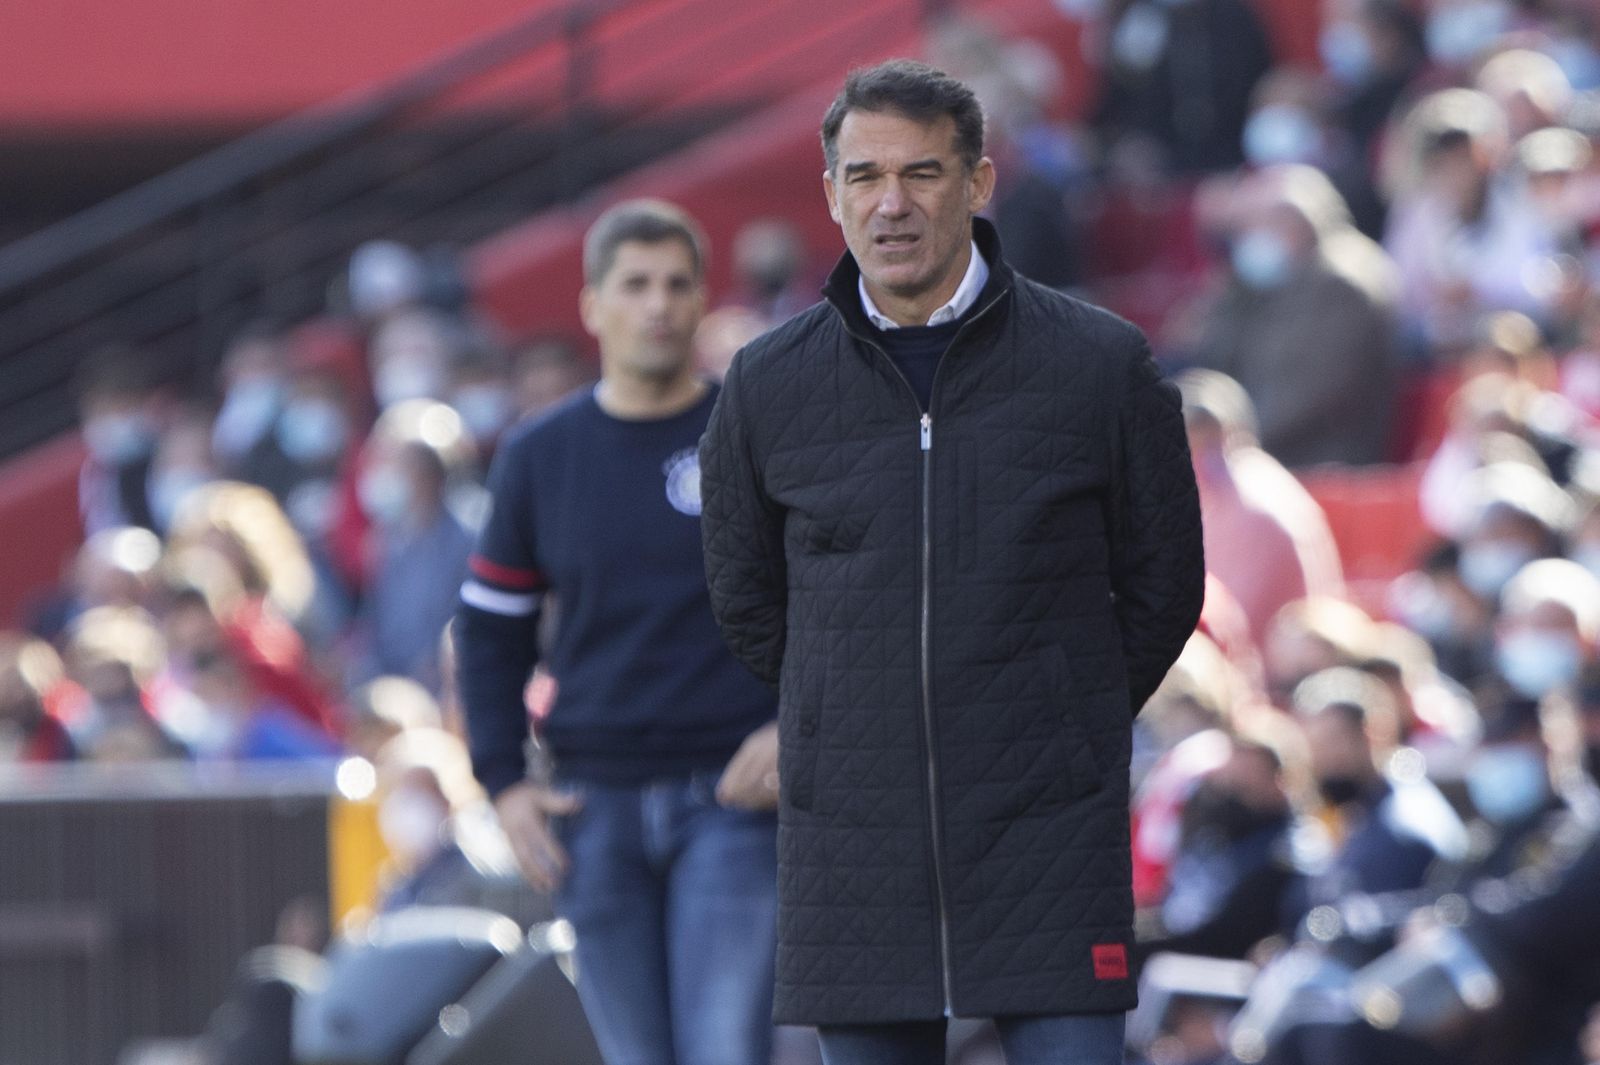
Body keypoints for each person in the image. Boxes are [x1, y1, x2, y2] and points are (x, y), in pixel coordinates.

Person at [699, 60, 1206, 1064]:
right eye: (865, 177)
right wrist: (846, 706)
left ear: (977, 184)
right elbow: (744, 595)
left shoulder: (1099, 365)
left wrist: (1067, 708)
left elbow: (1164, 582)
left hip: (1047, 830)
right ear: (831, 194)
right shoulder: (765, 384)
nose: (892, 204)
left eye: (922, 174)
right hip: (854, 841)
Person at [454, 200, 781, 1065]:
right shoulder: (538, 454)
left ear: (704, 300)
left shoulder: (755, 436)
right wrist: (501, 779)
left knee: (725, 1053)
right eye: (635, 284)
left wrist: (799, 726)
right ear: (593, 305)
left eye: (678, 284)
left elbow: (834, 602)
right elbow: (490, 630)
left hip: (734, 805)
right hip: (590, 804)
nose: (658, 304)